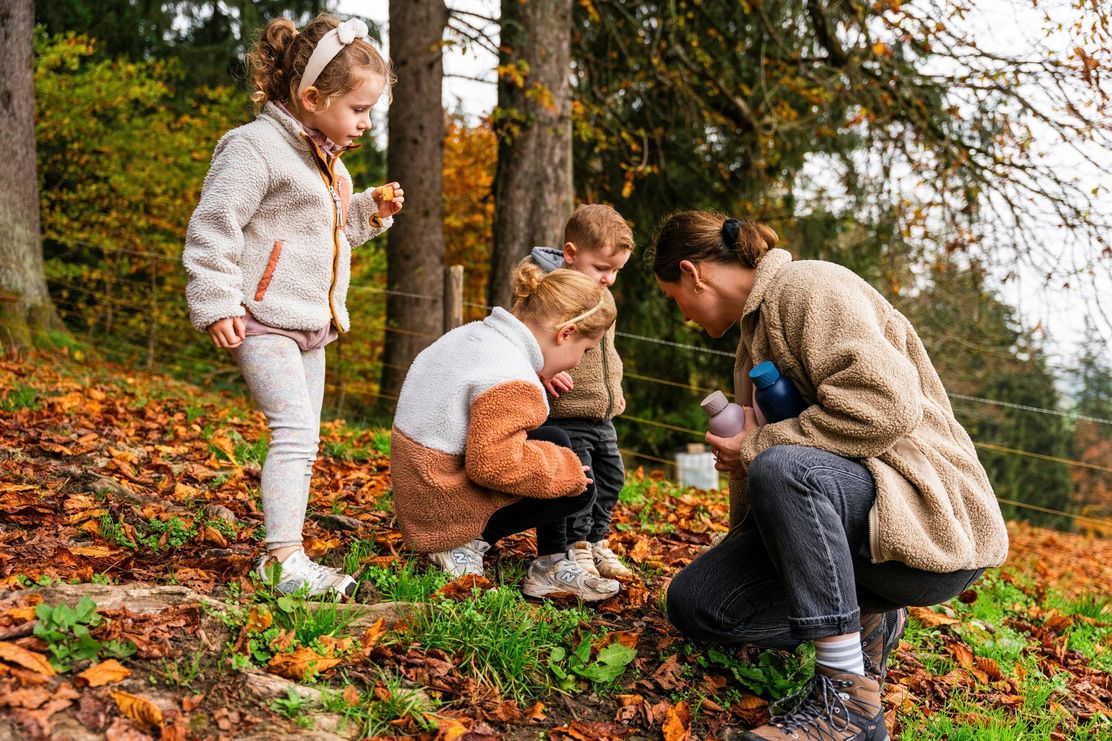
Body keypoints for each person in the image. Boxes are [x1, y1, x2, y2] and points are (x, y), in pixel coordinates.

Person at [651, 211, 1009, 740]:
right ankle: (866, 617)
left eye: (673, 296)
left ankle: (848, 705)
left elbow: (885, 407)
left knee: (783, 466)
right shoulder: (755, 334)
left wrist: (759, 445)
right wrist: (754, 454)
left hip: (924, 526)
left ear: (694, 272)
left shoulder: (809, 287)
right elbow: (787, 456)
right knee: (700, 605)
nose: (681, 313)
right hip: (852, 524)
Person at [183, 16, 404, 598]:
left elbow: (326, 237)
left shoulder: (331, 163)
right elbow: (215, 226)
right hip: (262, 318)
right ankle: (282, 560)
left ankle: (288, 552)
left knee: (305, 440)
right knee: (295, 434)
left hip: (312, 325)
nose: (364, 122)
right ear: (311, 97)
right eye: (358, 109)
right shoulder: (253, 148)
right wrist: (215, 301)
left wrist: (368, 212)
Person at [390, 262, 622, 602]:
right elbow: (491, 464)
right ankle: (460, 543)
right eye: (585, 351)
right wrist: (564, 471)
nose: (577, 362)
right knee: (577, 486)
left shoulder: (478, 336)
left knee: (554, 441)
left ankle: (551, 562)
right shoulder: (512, 376)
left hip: (419, 485)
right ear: (566, 333)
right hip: (438, 506)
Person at [525, 204, 636, 580]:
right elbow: (524, 336)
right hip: (565, 410)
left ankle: (594, 539)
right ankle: (572, 547)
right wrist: (540, 372)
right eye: (602, 268)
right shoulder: (548, 292)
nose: (609, 279)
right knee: (578, 480)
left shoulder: (605, 296)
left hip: (599, 409)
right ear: (571, 254)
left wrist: (613, 389)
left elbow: (608, 351)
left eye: (616, 271)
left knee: (611, 477)